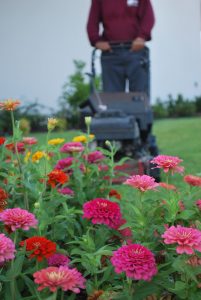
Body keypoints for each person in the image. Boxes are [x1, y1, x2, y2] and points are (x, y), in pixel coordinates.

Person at [87, 0, 155, 96]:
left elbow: (148, 17)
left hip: (136, 52)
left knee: (140, 98)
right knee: (112, 100)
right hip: (111, 53)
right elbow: (92, 22)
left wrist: (142, 37)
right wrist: (96, 41)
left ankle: (140, 111)